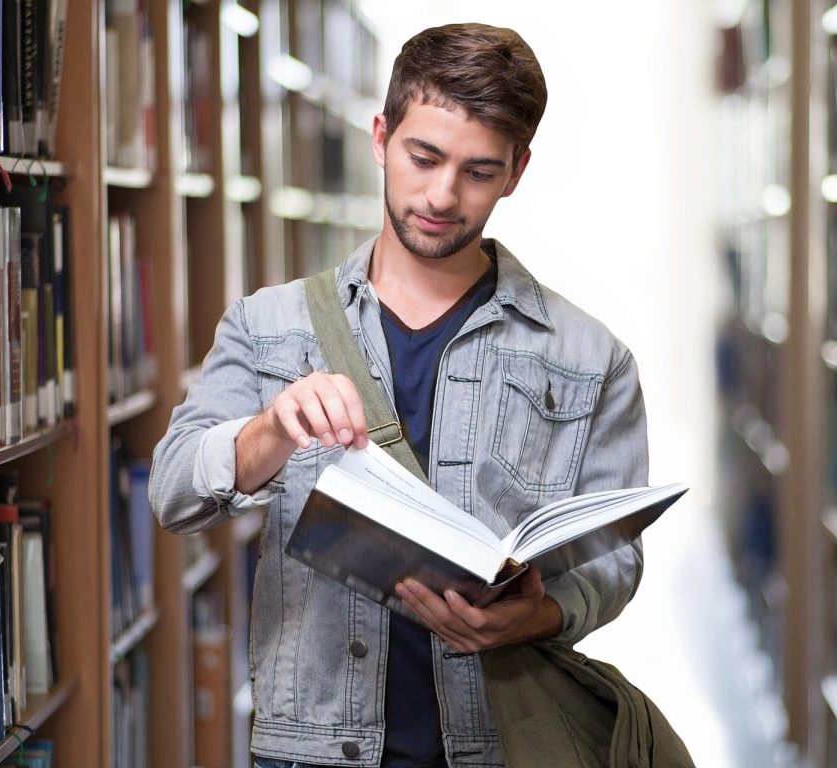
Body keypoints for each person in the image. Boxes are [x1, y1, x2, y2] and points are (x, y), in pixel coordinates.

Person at [150, 22, 649, 768]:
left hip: (500, 746)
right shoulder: (268, 327)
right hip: (311, 751)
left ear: (517, 170)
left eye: (479, 171)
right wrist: (270, 431)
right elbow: (173, 492)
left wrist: (539, 615)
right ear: (381, 136)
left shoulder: (589, 358)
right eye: (424, 157)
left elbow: (615, 561)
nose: (443, 195)